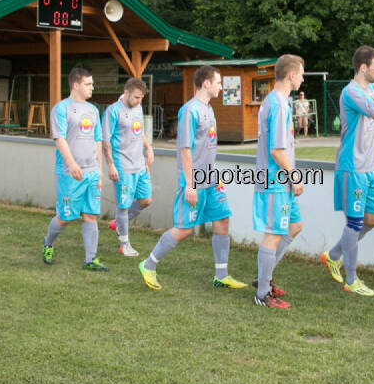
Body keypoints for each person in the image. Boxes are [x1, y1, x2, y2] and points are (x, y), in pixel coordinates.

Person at [138, 65, 245, 291]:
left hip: (211, 179)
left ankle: (221, 276)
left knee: (223, 220)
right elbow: (185, 149)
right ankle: (148, 265)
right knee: (184, 229)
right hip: (194, 181)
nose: (220, 87)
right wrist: (190, 185)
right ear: (206, 83)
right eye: (218, 82)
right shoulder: (190, 110)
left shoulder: (209, 109)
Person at [321, 46, 374, 296]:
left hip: (369, 168)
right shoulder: (351, 92)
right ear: (362, 67)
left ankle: (333, 255)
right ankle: (351, 280)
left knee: (372, 220)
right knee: (355, 223)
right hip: (353, 168)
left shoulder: (371, 89)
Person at [252, 54, 306, 309]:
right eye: (301, 74)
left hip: (278, 181)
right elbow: (276, 150)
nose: (303, 79)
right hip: (275, 181)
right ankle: (262, 294)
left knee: (294, 226)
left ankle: (264, 276)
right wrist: (295, 176)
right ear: (291, 76)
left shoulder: (275, 101)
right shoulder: (279, 105)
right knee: (273, 234)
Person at [41, 66, 106, 271]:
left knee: (90, 215)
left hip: (91, 172)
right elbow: (59, 138)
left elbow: (98, 140)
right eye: (88, 84)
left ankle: (90, 259)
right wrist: (71, 164)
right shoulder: (61, 109)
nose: (92, 88)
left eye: (92, 84)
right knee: (65, 217)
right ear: (76, 85)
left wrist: (99, 170)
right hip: (69, 173)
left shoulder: (93, 110)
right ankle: (48, 243)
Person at [103, 77, 155, 257]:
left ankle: (119, 222)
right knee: (123, 206)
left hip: (140, 164)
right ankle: (124, 244)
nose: (139, 101)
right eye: (136, 97)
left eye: (141, 98)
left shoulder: (138, 108)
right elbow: (106, 141)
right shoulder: (113, 111)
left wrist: (148, 148)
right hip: (122, 166)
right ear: (126, 92)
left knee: (146, 200)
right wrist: (111, 165)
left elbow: (139, 132)